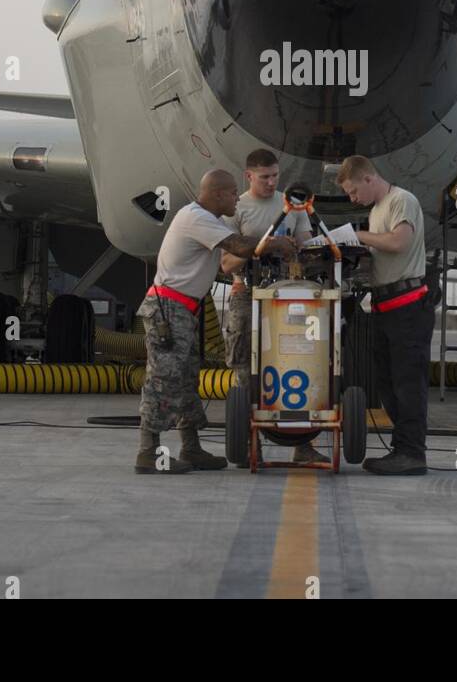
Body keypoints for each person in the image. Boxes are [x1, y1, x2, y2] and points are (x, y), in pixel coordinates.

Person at [135, 168, 295, 475]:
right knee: (163, 378)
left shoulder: (206, 220)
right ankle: (147, 451)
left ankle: (191, 448)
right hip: (169, 309)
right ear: (219, 194)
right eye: (234, 193)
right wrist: (275, 243)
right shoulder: (195, 218)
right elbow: (239, 247)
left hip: (183, 308)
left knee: (186, 379)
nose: (237, 198)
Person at [219, 148, 326, 466]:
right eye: (264, 177)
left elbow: (308, 245)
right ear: (249, 176)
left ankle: (303, 445)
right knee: (244, 367)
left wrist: (301, 247)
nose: (271, 182)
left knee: (300, 365)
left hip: (288, 295)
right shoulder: (236, 208)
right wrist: (260, 247)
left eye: (275, 176)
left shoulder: (293, 206)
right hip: (247, 293)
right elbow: (226, 263)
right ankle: (251, 442)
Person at [336, 154, 431, 477]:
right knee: (388, 382)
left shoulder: (401, 201)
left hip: (406, 306)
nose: (352, 198)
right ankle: (402, 447)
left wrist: (359, 236)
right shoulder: (377, 211)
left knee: (407, 382)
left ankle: (412, 452)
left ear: (368, 179)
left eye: (352, 192)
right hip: (385, 306)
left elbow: (398, 242)